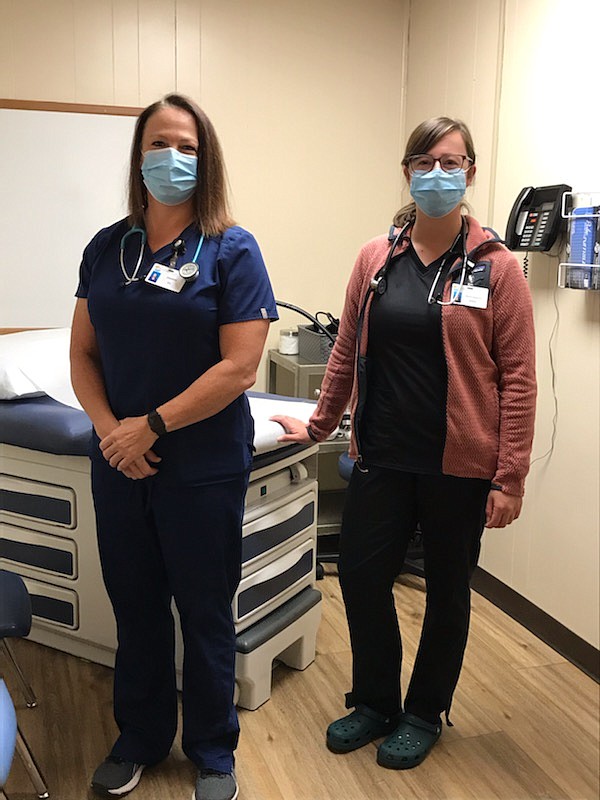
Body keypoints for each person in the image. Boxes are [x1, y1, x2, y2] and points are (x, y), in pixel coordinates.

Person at [271, 117, 536, 770]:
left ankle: (424, 713)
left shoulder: (497, 268)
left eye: (452, 162)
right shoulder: (375, 259)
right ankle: (375, 701)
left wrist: (511, 476)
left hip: (460, 465)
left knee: (447, 591)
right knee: (361, 578)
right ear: (408, 170)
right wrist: (319, 422)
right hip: (381, 454)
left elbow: (520, 379)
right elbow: (342, 354)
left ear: (471, 172)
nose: (439, 173)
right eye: (426, 160)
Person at [70, 93, 277, 800]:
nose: (173, 158)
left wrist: (148, 427)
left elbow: (239, 367)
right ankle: (141, 737)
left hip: (201, 465)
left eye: (188, 146)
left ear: (206, 157)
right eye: (160, 143)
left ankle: (214, 751)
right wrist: (109, 431)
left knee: (204, 607)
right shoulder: (106, 246)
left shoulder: (232, 248)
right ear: (138, 155)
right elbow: (83, 354)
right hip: (120, 462)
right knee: (135, 604)